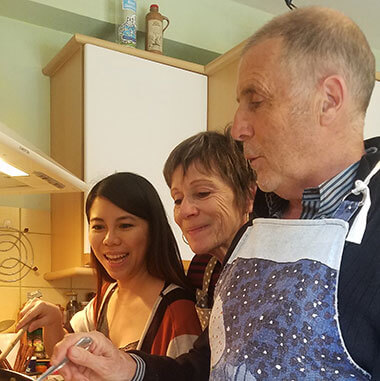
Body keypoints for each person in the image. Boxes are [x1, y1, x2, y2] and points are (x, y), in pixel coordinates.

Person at [48, 6, 380, 381]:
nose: (238, 128)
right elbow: (203, 367)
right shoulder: (254, 231)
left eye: (256, 101)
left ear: (330, 99)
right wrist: (129, 368)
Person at [16, 172, 201, 358]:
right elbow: (67, 357)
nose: (109, 240)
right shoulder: (107, 295)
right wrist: (53, 321)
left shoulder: (178, 313)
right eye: (98, 226)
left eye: (125, 225)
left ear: (153, 231)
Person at [163, 130, 255, 329]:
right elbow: (199, 356)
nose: (185, 210)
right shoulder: (201, 267)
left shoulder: (269, 271)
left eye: (202, 193)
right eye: (178, 199)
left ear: (248, 196)